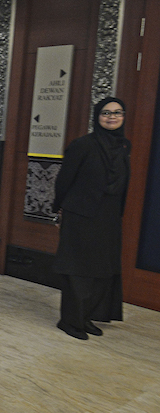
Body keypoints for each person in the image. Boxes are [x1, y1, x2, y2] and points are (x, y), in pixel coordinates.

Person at [51, 97, 130, 340]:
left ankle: (86, 317)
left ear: (123, 117)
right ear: (97, 117)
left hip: (108, 217)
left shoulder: (123, 146)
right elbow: (64, 180)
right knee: (78, 270)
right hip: (81, 215)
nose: (112, 117)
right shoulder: (83, 145)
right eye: (106, 113)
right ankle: (70, 321)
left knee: (102, 269)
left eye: (117, 113)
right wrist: (59, 207)